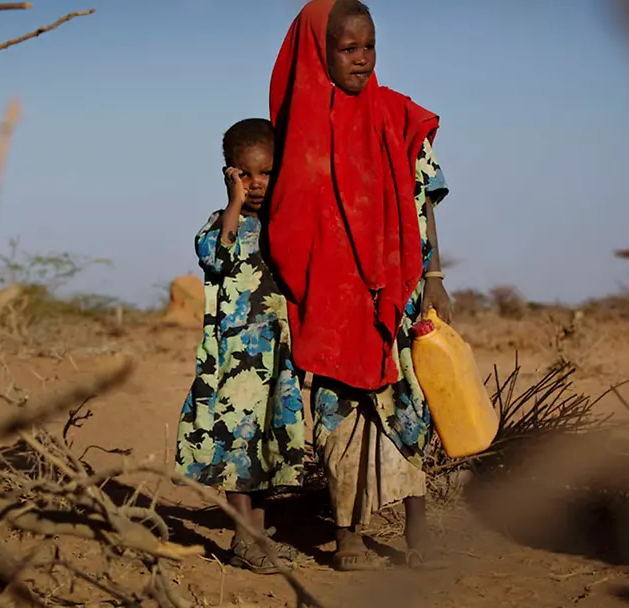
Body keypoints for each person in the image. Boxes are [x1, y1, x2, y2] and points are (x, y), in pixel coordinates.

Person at [267, 0, 453, 571]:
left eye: (370, 47)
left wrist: (435, 276)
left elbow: (423, 199)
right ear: (319, 52)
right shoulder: (298, 129)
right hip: (329, 298)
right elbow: (284, 218)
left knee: (410, 403)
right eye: (349, 49)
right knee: (338, 410)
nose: (363, 60)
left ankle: (418, 532)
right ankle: (348, 532)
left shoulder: (398, 114)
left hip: (396, 290)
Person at [175, 118, 306, 575]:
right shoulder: (221, 224)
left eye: (266, 173)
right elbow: (217, 255)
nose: (255, 185)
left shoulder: (284, 225)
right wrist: (233, 204)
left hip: (276, 358)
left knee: (266, 445)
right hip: (234, 360)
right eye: (244, 174)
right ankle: (242, 539)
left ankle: (258, 536)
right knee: (237, 445)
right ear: (228, 173)